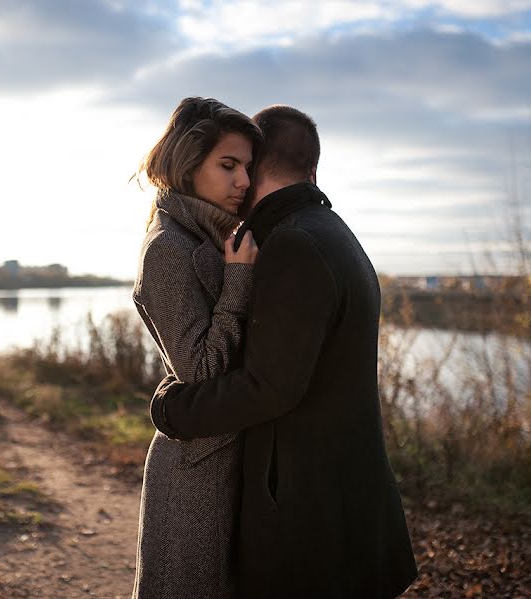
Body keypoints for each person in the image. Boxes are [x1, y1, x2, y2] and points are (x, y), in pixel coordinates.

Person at [150, 105, 418, 598]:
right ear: (313, 169)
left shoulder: (291, 243)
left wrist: (173, 409)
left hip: (307, 511)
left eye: (242, 166)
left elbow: (269, 386)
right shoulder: (334, 233)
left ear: (256, 167)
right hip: (343, 499)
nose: (238, 182)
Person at [130, 97, 263, 599]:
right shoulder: (168, 249)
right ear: (188, 165)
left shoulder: (210, 234)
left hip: (224, 462)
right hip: (195, 476)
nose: (243, 182)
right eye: (228, 165)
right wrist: (238, 281)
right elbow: (202, 374)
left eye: (248, 167)